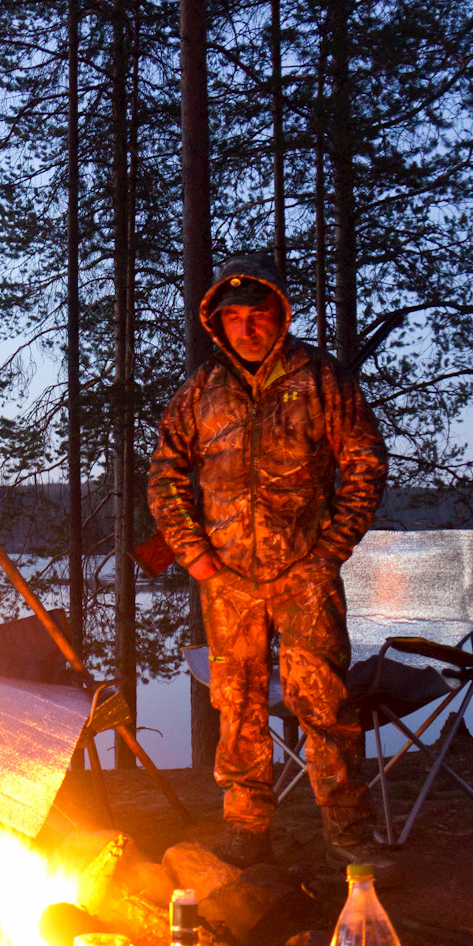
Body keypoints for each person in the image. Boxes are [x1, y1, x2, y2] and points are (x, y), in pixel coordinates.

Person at [148, 253, 390, 871]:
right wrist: (195, 556)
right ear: (218, 324)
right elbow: (167, 472)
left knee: (326, 706)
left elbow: (365, 463)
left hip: (305, 578)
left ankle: (348, 833)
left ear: (278, 316)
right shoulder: (202, 390)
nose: (248, 329)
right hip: (227, 581)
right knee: (239, 706)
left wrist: (328, 553)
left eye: (259, 316)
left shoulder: (322, 379)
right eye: (235, 318)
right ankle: (247, 832)